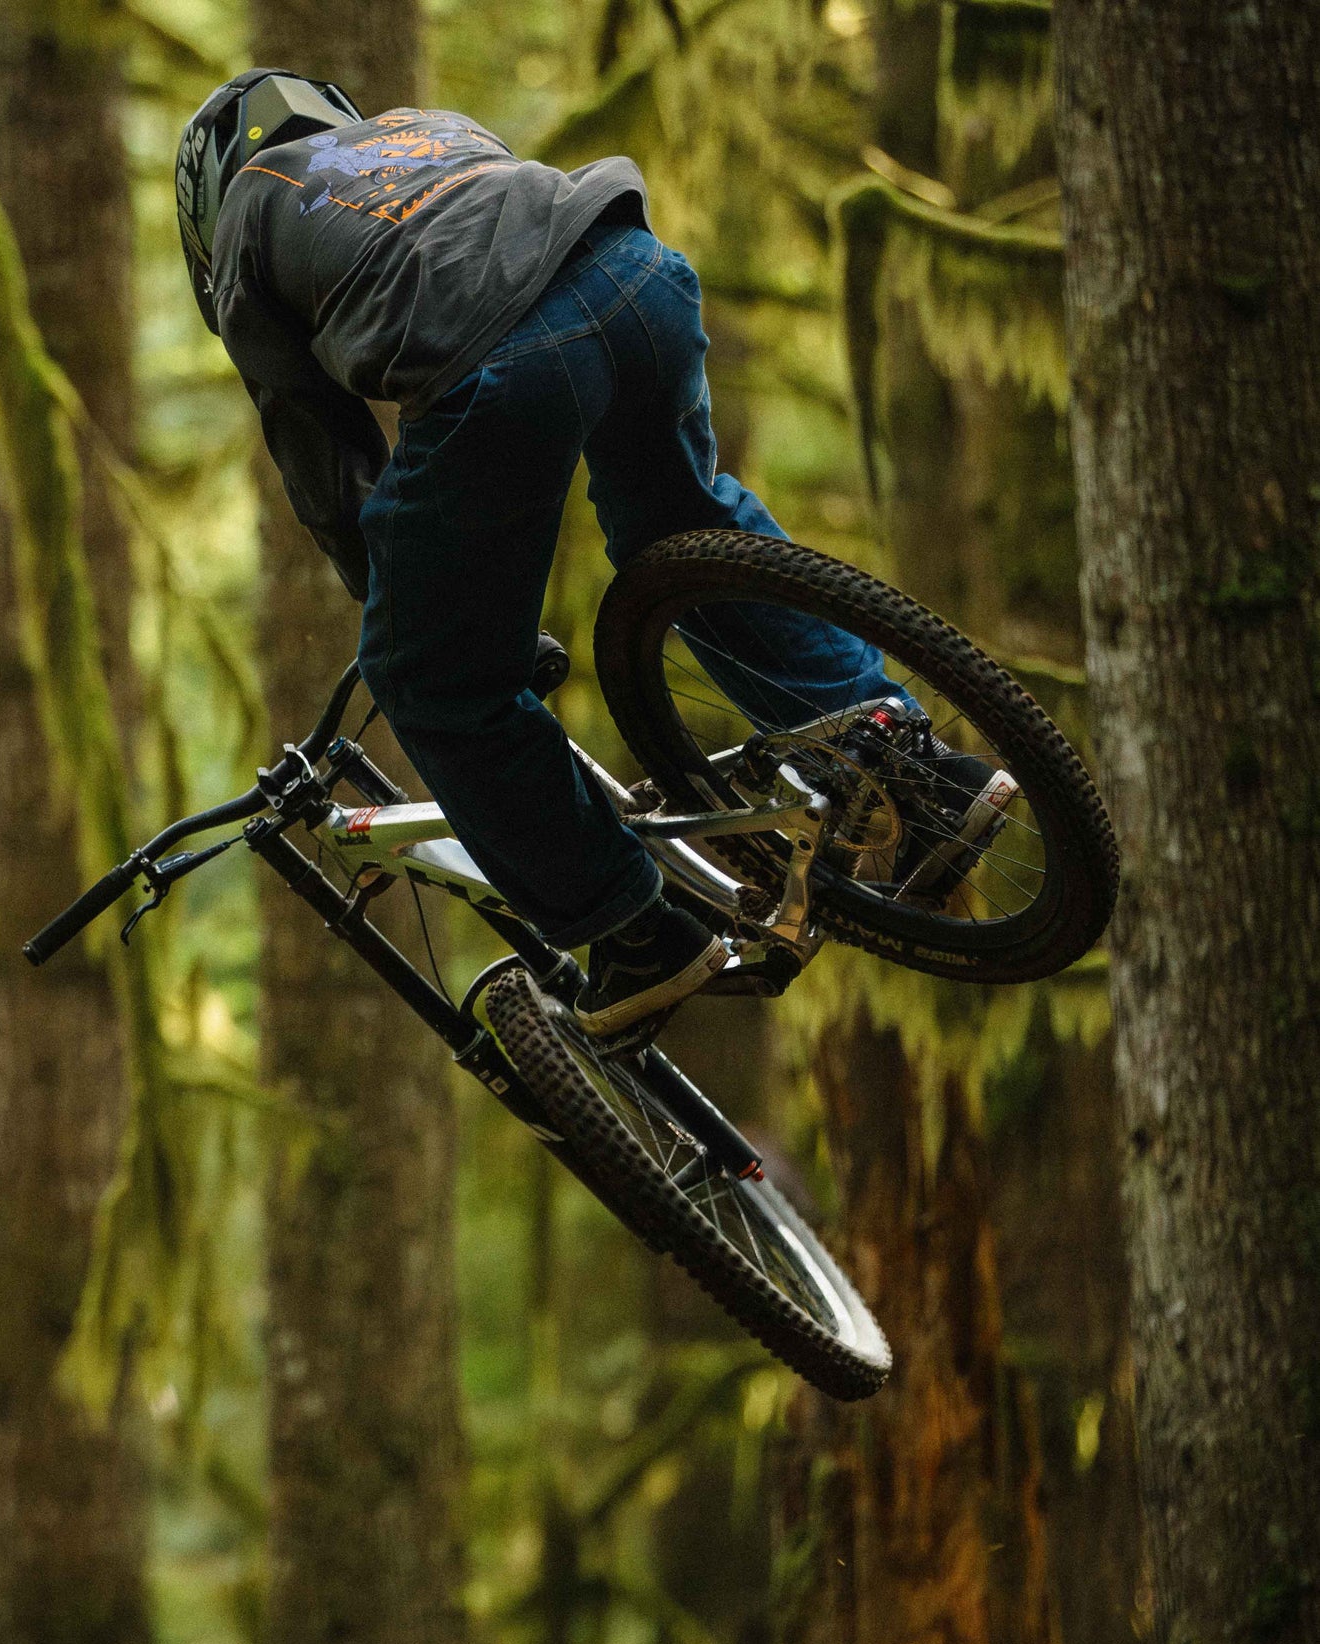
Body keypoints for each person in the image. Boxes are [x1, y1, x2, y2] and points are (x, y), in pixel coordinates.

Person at [175, 69, 1011, 1036]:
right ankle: (908, 765)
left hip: (504, 357)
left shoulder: (247, 219)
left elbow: (325, 464)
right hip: (637, 273)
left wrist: (438, 626)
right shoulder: (419, 129)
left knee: (427, 678)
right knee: (688, 539)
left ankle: (634, 932)